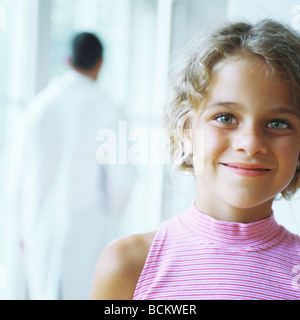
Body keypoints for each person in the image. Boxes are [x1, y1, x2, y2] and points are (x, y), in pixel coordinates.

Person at [90, 19, 300, 300]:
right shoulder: (128, 266)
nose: (250, 144)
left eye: (277, 123)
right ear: (186, 131)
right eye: (225, 118)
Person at [7, 32, 136, 299]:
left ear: (67, 60)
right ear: (100, 63)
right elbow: (122, 184)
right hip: (89, 234)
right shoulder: (110, 110)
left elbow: (17, 180)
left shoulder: (37, 108)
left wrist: (21, 229)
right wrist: (108, 222)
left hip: (41, 231)